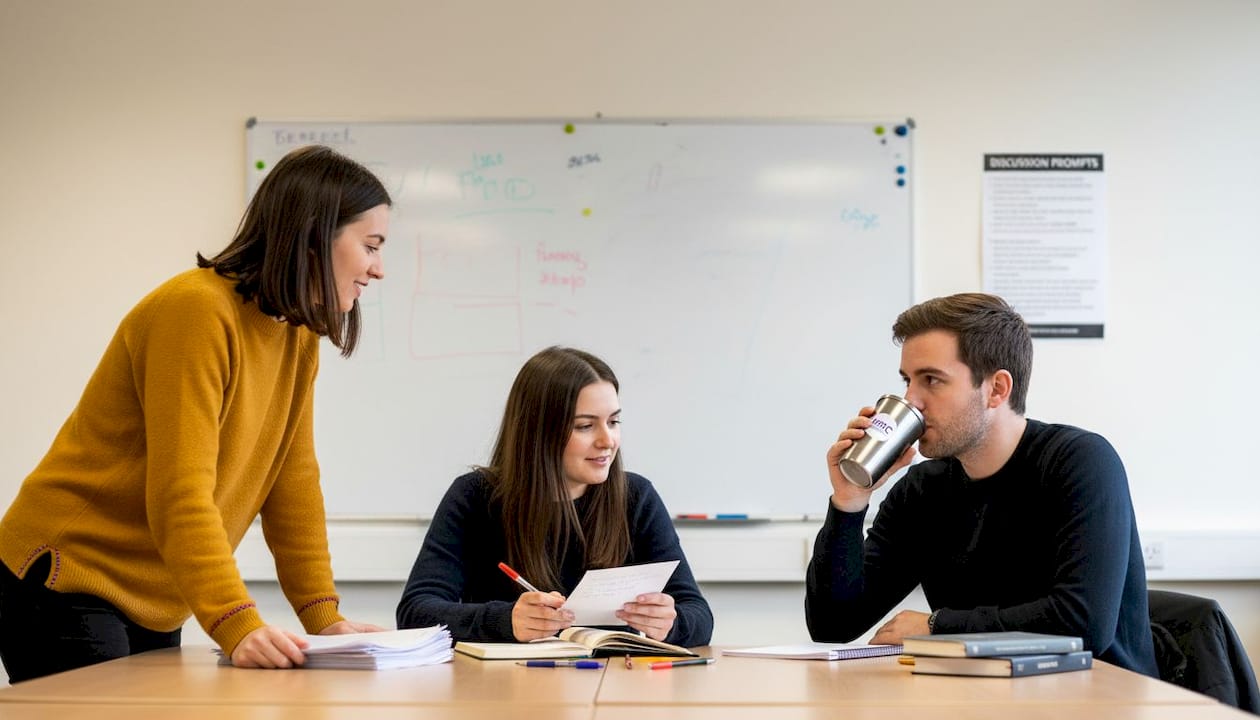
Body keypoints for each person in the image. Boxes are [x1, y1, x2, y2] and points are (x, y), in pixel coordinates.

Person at [0, 145, 391, 683]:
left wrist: (322, 617)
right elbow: (179, 490)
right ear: (314, 235)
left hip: (157, 590)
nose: (378, 268)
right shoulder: (196, 311)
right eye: (370, 246)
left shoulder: (296, 335)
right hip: (69, 576)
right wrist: (236, 620)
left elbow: (293, 484)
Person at [805, 293, 1158, 676]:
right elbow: (832, 626)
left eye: (932, 380)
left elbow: (1083, 625)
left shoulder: (1080, 462)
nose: (911, 401)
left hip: (1098, 700)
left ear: (997, 389)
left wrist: (937, 626)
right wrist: (849, 501)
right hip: (984, 697)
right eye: (907, 381)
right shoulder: (922, 490)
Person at [397, 346, 713, 647]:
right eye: (586, 426)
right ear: (538, 432)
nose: (608, 441)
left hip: (614, 685)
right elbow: (415, 613)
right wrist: (505, 621)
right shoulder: (474, 497)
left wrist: (669, 623)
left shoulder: (635, 496)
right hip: (506, 691)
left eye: (614, 422)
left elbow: (699, 616)